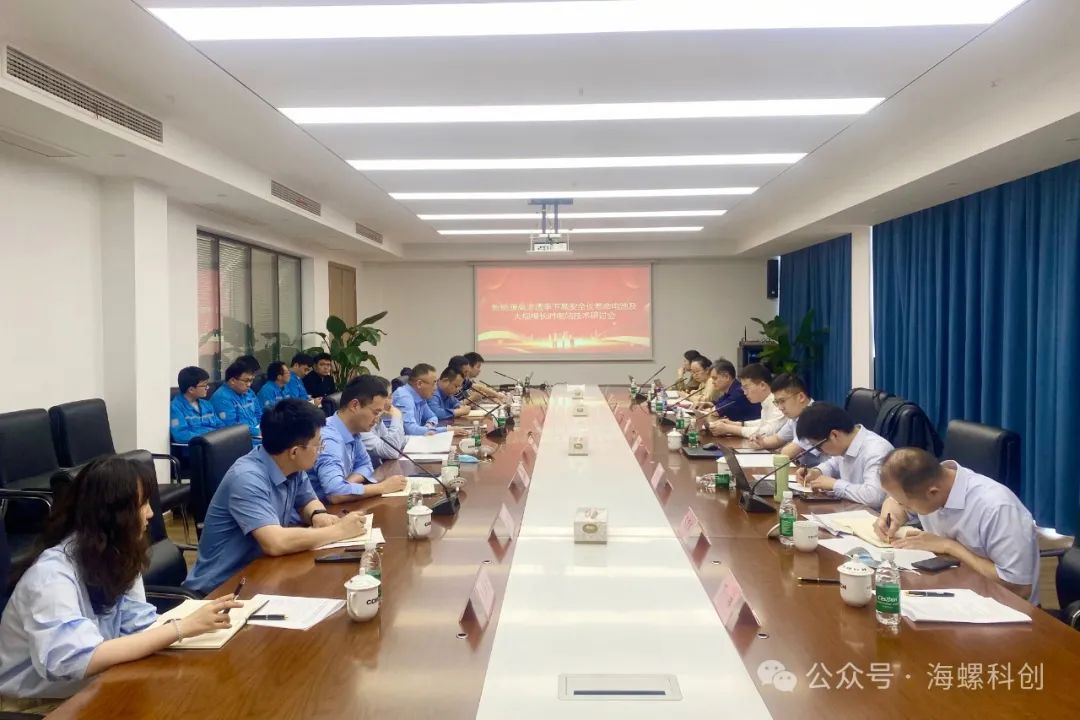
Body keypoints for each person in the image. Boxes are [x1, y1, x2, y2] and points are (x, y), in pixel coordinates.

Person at [0, 457, 241, 709]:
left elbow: (138, 625)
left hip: (95, 684)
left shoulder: (117, 554)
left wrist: (196, 622)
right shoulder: (50, 576)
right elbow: (73, 661)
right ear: (112, 515)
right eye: (142, 504)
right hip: (35, 705)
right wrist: (179, 629)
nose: (151, 513)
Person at [184, 399, 372, 595]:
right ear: (295, 452)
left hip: (262, 573)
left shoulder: (291, 465)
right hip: (220, 590)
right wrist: (339, 531)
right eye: (318, 445)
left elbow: (307, 500)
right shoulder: (247, 478)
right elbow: (275, 543)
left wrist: (318, 515)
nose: (320, 451)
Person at [873, 448, 1040, 603]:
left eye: (905, 504)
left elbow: (1018, 588)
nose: (902, 506)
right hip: (950, 587)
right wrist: (890, 517)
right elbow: (893, 503)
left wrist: (950, 547)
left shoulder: (997, 508)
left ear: (933, 493)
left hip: (1000, 608)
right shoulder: (928, 484)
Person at [311, 376, 408, 504]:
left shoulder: (354, 430)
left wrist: (346, 484)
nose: (377, 419)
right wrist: (382, 487)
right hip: (322, 511)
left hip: (341, 505)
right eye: (375, 412)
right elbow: (335, 494)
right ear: (355, 405)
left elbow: (365, 465)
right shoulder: (328, 439)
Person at [794, 403, 894, 510]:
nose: (820, 451)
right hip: (851, 510)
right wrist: (816, 472)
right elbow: (833, 464)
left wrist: (835, 485)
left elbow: (874, 497)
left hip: (873, 516)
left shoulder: (876, 451)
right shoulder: (847, 442)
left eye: (818, 446)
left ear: (834, 435)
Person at [746, 374, 822, 466]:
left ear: (801, 397)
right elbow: (778, 439)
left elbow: (787, 453)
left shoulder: (815, 416)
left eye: (782, 401)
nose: (780, 407)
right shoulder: (795, 416)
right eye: (777, 402)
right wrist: (761, 442)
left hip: (822, 472)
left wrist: (780, 450)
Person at [709, 363, 785, 440]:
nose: (744, 393)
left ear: (762, 385)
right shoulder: (767, 400)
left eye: (746, 388)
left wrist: (729, 429)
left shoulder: (778, 402)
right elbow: (763, 423)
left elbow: (766, 432)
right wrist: (738, 424)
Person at [170, 366, 224, 448]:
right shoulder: (175, 407)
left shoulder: (207, 404)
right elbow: (181, 435)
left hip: (214, 445)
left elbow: (220, 425)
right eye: (204, 385)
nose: (207, 388)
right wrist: (210, 437)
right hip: (195, 449)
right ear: (191, 389)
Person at [360, 376, 408, 466]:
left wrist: (420, 440)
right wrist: (396, 417)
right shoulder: (362, 426)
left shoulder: (376, 418)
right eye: (389, 397)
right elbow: (391, 451)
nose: (391, 401)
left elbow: (391, 441)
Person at [211, 360, 262, 442]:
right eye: (246, 381)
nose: (249, 384)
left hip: (257, 435)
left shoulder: (249, 392)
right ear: (232, 381)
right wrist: (258, 432)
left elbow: (259, 414)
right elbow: (232, 428)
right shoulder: (222, 398)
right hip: (240, 440)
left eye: (251, 380)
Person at [392, 364, 449, 436]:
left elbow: (432, 417)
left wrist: (429, 426)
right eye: (433, 383)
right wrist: (446, 430)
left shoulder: (420, 396)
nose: (435, 388)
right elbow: (410, 430)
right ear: (419, 384)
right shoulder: (404, 397)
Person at [706, 358, 760, 423]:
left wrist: (712, 408)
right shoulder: (731, 390)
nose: (713, 382)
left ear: (727, 377)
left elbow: (715, 412)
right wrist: (709, 404)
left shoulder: (739, 392)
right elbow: (719, 403)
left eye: (715, 378)